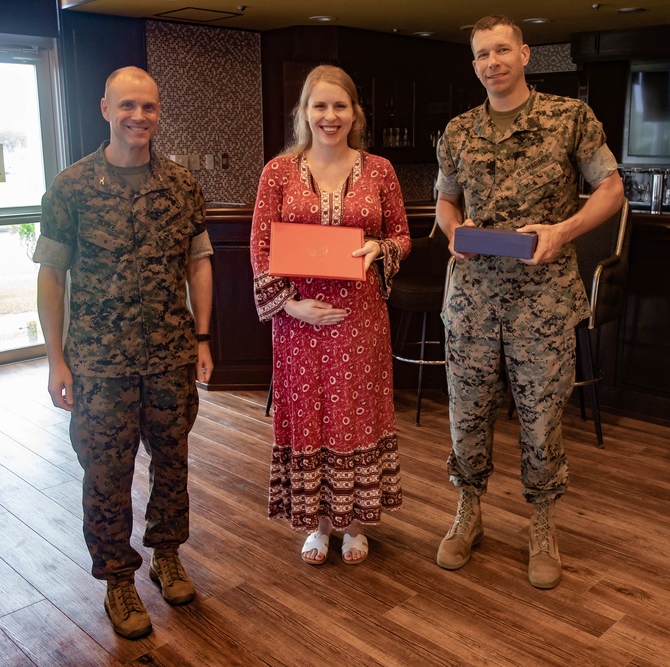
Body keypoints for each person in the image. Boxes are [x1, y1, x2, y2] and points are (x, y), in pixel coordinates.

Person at [433, 16, 624, 589]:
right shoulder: (459, 131)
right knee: (466, 416)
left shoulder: (569, 119)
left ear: (525, 54)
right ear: (473, 65)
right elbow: (444, 201)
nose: (492, 62)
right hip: (471, 300)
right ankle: (469, 513)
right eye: (481, 54)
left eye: (501, 50)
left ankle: (542, 524)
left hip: (542, 302)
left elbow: (612, 190)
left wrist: (564, 231)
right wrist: (453, 233)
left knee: (541, 423)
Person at [34, 66, 214, 639]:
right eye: (128, 106)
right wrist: (55, 358)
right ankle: (117, 580)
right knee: (106, 473)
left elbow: (199, 262)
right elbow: (51, 275)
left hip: (169, 355)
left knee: (173, 462)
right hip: (98, 362)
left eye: (150, 107)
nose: (140, 117)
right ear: (105, 109)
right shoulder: (72, 186)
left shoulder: (182, 185)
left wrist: (203, 339)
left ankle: (167, 555)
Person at [250, 65, 411, 566]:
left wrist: (378, 249)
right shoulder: (277, 172)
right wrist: (290, 304)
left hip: (360, 319)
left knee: (356, 416)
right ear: (304, 113)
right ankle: (319, 525)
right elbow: (260, 246)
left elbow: (402, 235)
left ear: (355, 114)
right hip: (298, 323)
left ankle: (356, 523)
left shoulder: (380, 170)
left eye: (340, 106)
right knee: (310, 418)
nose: (330, 116)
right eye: (319, 106)